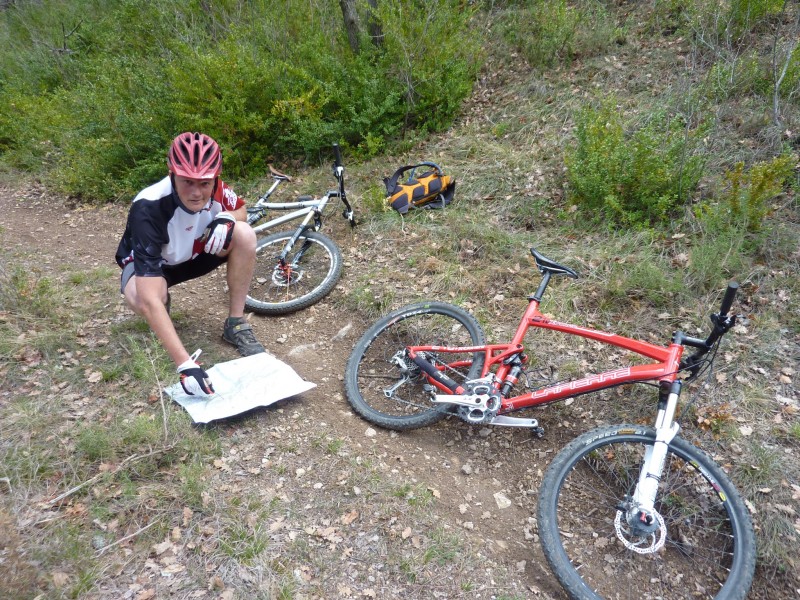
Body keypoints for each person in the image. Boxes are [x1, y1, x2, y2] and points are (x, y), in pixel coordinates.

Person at [116, 132, 265, 396]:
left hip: (195, 255)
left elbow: (242, 211)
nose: (197, 192)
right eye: (187, 182)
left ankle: (236, 324)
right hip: (157, 267)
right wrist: (185, 364)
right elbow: (149, 296)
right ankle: (164, 311)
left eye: (204, 183)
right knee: (145, 299)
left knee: (244, 234)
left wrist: (228, 217)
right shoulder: (148, 207)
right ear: (171, 173)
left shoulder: (216, 185)